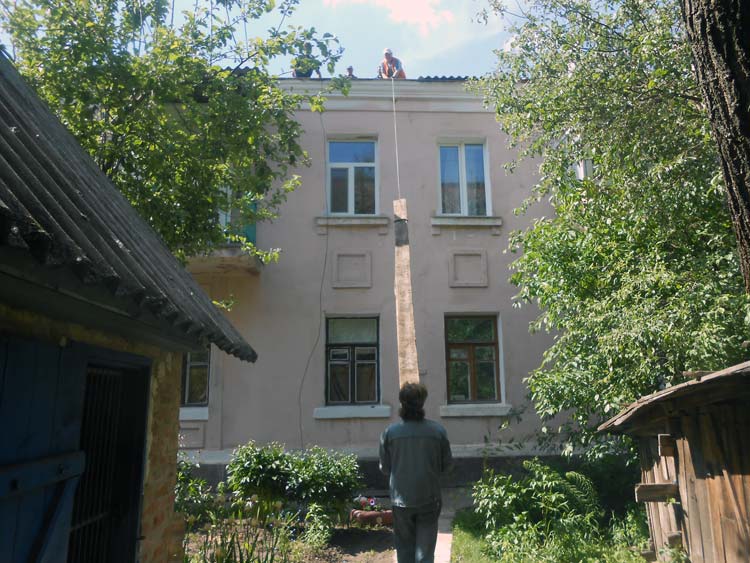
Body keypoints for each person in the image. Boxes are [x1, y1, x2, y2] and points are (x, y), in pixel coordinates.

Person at [379, 382, 452, 563]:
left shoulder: (389, 433)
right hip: (429, 498)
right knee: (425, 554)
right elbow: (447, 467)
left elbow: (385, 468)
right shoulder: (437, 431)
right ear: (422, 402)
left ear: (402, 403)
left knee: (404, 551)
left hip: (400, 501)